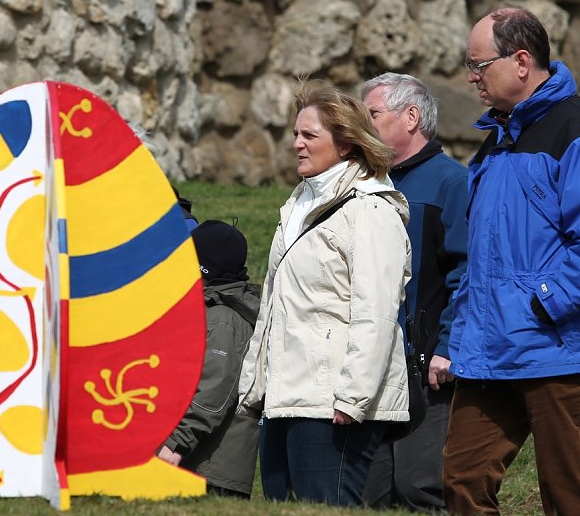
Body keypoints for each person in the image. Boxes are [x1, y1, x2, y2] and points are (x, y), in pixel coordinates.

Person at [443, 7, 580, 515]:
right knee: (462, 480)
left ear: (522, 61)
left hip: (557, 349)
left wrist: (542, 306)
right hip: (491, 351)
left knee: (569, 496)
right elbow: (484, 256)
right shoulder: (495, 143)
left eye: (479, 65)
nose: (471, 77)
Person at [237, 81, 412, 507]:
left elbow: (376, 312)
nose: (297, 144)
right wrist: (254, 385)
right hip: (287, 398)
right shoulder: (297, 207)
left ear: (348, 144)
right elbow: (275, 311)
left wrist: (353, 398)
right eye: (296, 134)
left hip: (335, 403)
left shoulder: (371, 209)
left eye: (309, 135)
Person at [360, 73, 468, 511]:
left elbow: (467, 272)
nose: (362, 125)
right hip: (372, 367)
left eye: (372, 114)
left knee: (418, 486)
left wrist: (447, 347)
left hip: (427, 370)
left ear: (411, 116)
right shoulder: (365, 186)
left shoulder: (451, 183)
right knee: (368, 495)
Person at [157, 220, 261, 498]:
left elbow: (213, 395)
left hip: (213, 473)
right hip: (199, 463)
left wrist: (176, 444)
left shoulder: (224, 321)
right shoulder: (210, 311)